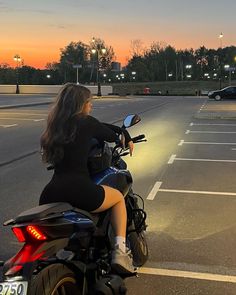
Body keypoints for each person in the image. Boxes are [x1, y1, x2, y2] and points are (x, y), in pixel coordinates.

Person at [39, 83, 135, 273]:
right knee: (117, 198)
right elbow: (108, 133)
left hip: (51, 192)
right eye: (89, 102)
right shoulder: (86, 122)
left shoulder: (55, 125)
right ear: (81, 104)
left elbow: (98, 126)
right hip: (79, 189)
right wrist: (124, 135)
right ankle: (120, 252)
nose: (90, 106)